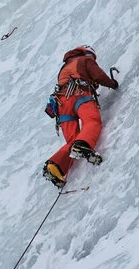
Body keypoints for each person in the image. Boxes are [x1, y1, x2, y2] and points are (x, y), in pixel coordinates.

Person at [42, 46, 119, 187]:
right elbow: (98, 75)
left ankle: (55, 166)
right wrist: (112, 84)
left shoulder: (64, 69)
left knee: (73, 140)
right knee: (92, 121)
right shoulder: (84, 59)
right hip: (78, 95)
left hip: (61, 104)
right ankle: (83, 145)